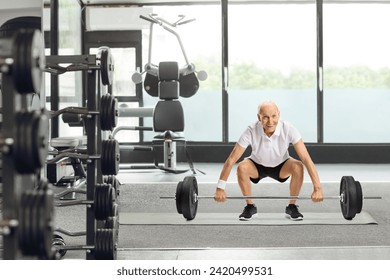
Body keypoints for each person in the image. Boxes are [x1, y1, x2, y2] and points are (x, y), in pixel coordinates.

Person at [214, 100, 324, 221]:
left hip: (282, 165)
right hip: (257, 165)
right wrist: (220, 188)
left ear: (279, 115)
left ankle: (291, 206)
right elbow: (231, 160)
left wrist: (317, 188)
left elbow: (306, 159)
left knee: (298, 166)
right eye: (265, 117)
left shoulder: (288, 128)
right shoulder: (251, 130)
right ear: (258, 117)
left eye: (273, 116)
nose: (270, 121)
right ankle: (250, 206)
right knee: (242, 167)